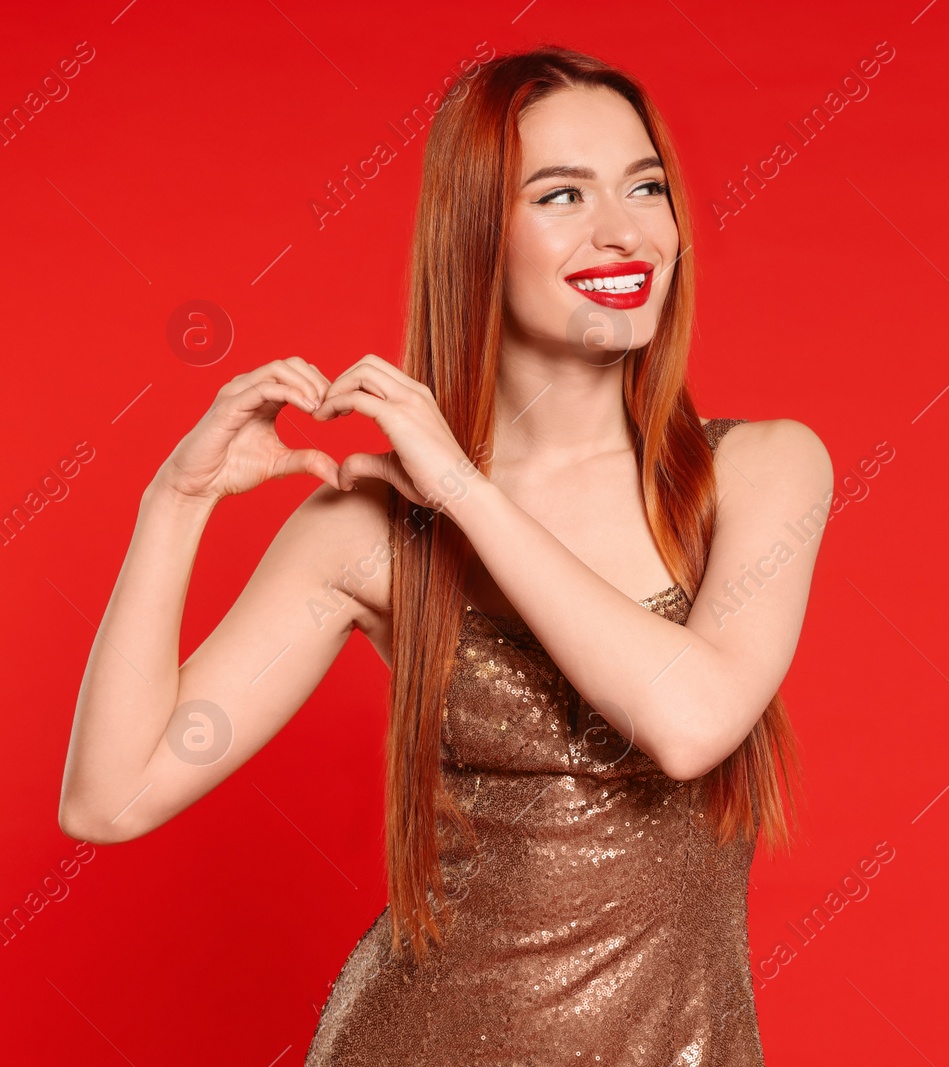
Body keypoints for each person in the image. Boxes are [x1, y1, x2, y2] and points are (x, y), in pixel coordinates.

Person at [57, 44, 832, 1065]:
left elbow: (689, 723)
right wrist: (175, 502)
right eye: (562, 194)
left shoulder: (762, 469)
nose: (624, 228)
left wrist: (467, 492)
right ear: (477, 237)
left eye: (646, 186)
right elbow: (110, 795)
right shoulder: (368, 528)